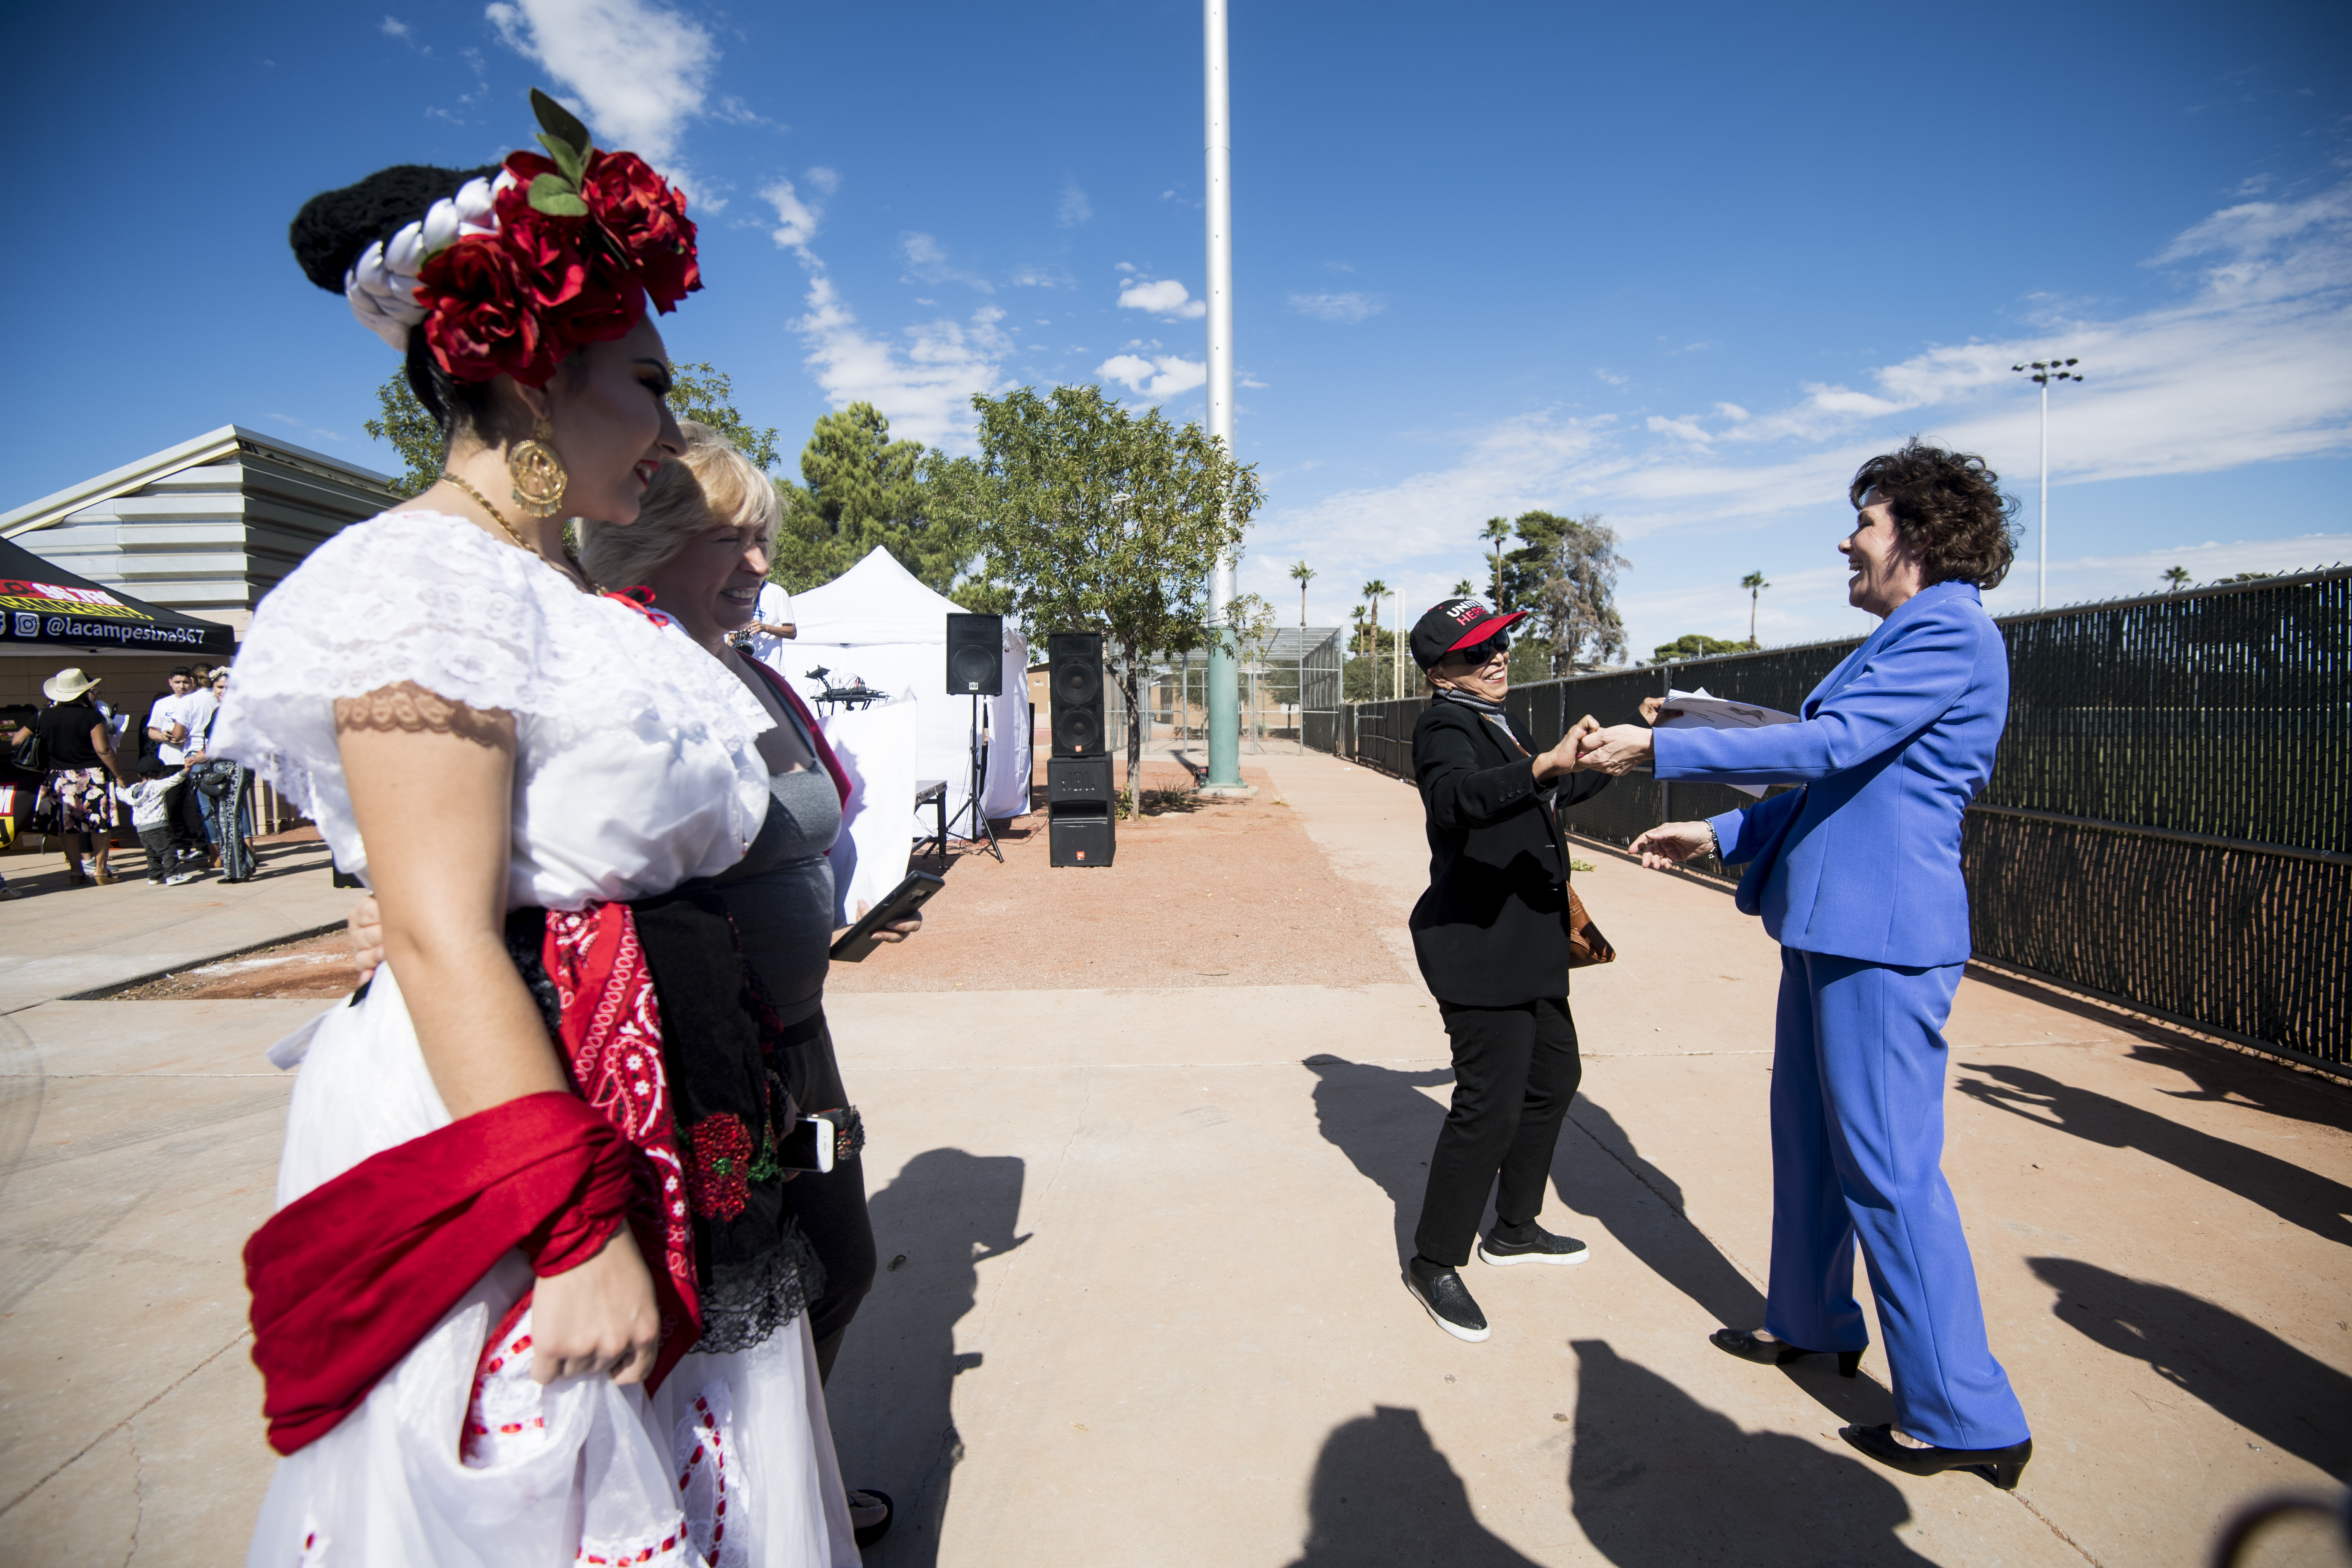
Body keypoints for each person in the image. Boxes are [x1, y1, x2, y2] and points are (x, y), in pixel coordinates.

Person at [218, 99, 859, 1564]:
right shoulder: (418, 580)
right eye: (646, 383)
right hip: (529, 1137)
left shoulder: (571, 604)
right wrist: (570, 1233)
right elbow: (442, 929)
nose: (670, 436)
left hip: (667, 1101)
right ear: (524, 369)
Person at [1576, 438, 2034, 1489]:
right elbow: (1837, 780)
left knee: (1886, 1167)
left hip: (1882, 938)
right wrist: (1720, 836)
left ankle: (1966, 1413)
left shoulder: (1948, 632)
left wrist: (1657, 749)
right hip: (1832, 926)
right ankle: (1812, 1321)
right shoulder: (1905, 636)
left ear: (1916, 537)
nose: (1847, 537)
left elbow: (1828, 749)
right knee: (1811, 1144)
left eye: (1865, 521)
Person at [580, 422, 918, 1546]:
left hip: (798, 1045)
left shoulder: (751, 675)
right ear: (651, 537)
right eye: (732, 538)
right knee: (720, 1311)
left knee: (837, 1269)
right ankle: (722, 1518)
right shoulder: (620, 667)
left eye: (765, 539)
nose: (762, 565)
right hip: (702, 1066)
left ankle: (790, 1486)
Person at [1398, 597, 1609, 1342]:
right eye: (1476, 650)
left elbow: (1547, 786)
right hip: (1477, 947)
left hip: (1529, 942)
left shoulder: (1495, 717)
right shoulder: (1444, 724)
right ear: (1438, 671)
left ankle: (1514, 1229)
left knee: (1553, 1078)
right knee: (1487, 1104)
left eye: (1501, 642)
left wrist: (1597, 760)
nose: (1497, 657)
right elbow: (1457, 798)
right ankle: (1434, 1260)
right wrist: (1541, 764)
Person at [8, 668, 132, 885]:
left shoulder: (41, 716)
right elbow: (103, 750)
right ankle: (101, 871)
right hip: (92, 775)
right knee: (100, 824)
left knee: (67, 826)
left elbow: (17, 742)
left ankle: (76, 872)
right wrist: (119, 775)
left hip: (58, 777)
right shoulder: (92, 715)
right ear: (83, 692)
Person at [183, 665, 254, 881]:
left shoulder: (237, 711)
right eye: (219, 687)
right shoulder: (219, 710)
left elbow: (231, 744)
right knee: (223, 817)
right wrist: (203, 754)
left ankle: (236, 872)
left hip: (234, 767)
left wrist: (203, 756)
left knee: (229, 819)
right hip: (222, 767)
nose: (223, 691)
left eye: (228, 687)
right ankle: (246, 862)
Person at [116, 756, 203, 884]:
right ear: (160, 773)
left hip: (141, 829)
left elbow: (121, 795)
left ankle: (155, 877)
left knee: (152, 854)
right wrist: (187, 770)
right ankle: (173, 875)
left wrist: (118, 785)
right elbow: (175, 780)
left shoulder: (132, 790)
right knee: (168, 852)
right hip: (158, 827)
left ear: (139, 774)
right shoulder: (157, 785)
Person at [738, 577, 798, 667]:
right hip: (743, 667)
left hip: (769, 667)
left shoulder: (777, 592)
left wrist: (765, 628)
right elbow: (731, 636)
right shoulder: (738, 593)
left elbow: (792, 632)